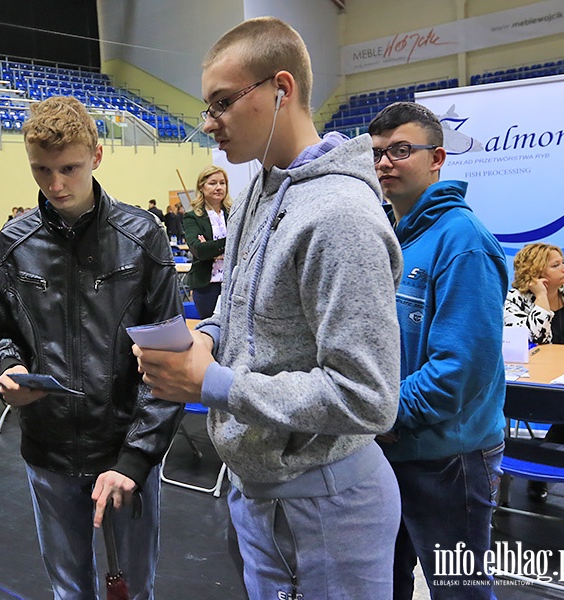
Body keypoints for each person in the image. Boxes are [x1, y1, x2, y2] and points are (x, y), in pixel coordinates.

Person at [134, 17, 403, 599]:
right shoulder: (260, 187)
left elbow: (369, 395)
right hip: (263, 493)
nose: (210, 123)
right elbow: (240, 309)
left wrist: (216, 384)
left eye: (223, 102)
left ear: (281, 89)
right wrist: (205, 337)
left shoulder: (341, 217)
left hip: (329, 504)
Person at [0, 95, 183, 599]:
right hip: (47, 452)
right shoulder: (13, 242)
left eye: (68, 168)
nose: (55, 185)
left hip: (124, 449)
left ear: (96, 155)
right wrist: (7, 370)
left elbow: (170, 359)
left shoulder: (142, 238)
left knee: (134, 591)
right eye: (42, 170)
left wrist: (135, 460)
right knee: (69, 591)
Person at [369, 101, 507, 599]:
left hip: (450, 457)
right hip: (390, 447)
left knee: (460, 590)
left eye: (401, 150)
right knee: (387, 583)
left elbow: (458, 371)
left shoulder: (463, 241)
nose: (385, 162)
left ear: (437, 157)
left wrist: (377, 411)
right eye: (378, 152)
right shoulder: (390, 237)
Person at [504, 242, 564, 501]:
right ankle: (549, 464)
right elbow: (534, 341)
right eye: (556, 265)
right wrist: (541, 299)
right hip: (542, 386)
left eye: (562, 262)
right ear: (538, 273)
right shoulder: (515, 301)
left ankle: (545, 465)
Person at [182, 166, 231, 319]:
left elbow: (246, 244)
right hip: (207, 286)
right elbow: (200, 251)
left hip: (233, 284)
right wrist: (230, 242)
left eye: (222, 183)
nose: (218, 187)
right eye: (213, 183)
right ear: (201, 187)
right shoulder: (192, 217)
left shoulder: (235, 213)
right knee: (212, 331)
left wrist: (213, 247)